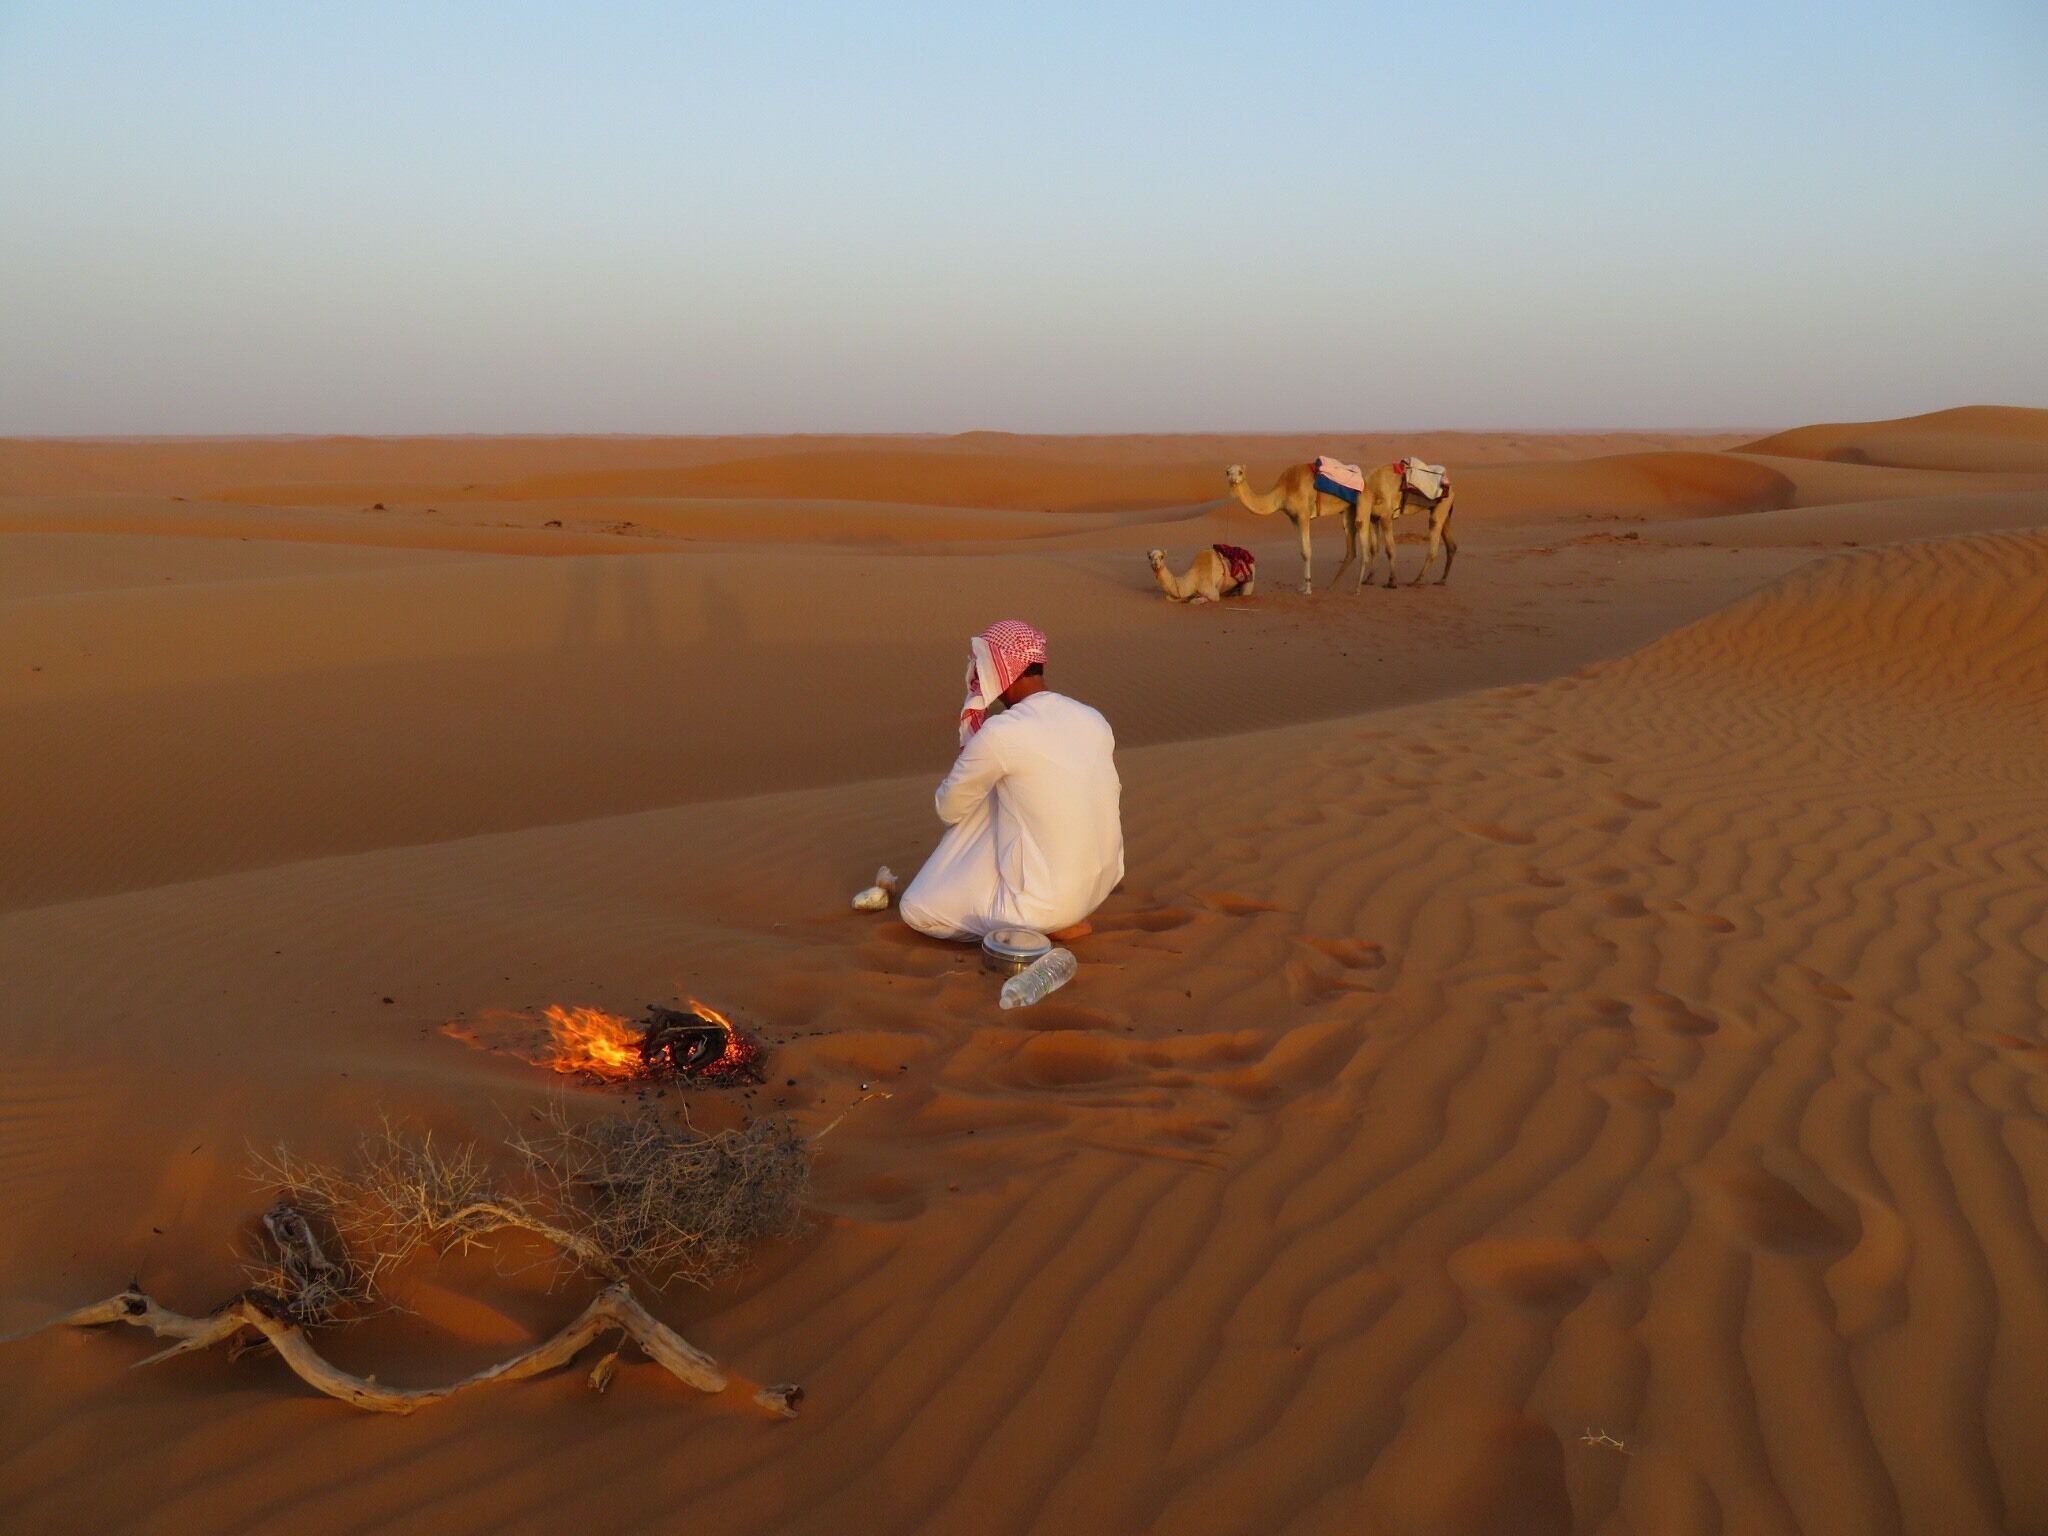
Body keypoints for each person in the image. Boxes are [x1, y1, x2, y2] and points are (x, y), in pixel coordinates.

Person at [899, 620, 1123, 943]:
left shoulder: (1002, 733)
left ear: (999, 672)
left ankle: (1037, 925)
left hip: (1044, 904)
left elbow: (948, 810)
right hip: (1099, 887)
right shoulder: (1092, 717)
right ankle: (1064, 914)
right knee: (1011, 791)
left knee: (917, 908)